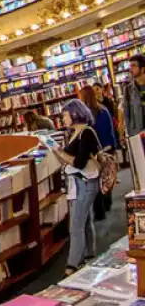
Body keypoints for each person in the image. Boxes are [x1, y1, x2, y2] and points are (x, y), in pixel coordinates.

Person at [52, 99, 100, 275]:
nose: (63, 119)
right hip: (79, 183)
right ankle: (88, 255)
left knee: (76, 224)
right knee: (85, 220)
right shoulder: (75, 133)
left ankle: (72, 264)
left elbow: (79, 163)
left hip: (86, 182)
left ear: (74, 114)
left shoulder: (86, 133)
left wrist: (59, 152)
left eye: (64, 115)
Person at [79, 85, 117, 220]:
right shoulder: (103, 109)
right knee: (107, 175)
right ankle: (107, 202)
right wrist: (113, 146)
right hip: (107, 147)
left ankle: (99, 211)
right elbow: (110, 129)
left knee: (96, 179)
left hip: (96, 150)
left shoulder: (84, 115)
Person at [122, 54, 145, 138]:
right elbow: (127, 115)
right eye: (130, 66)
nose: (130, 69)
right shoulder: (128, 90)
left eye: (134, 66)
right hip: (138, 134)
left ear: (142, 69)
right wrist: (130, 136)